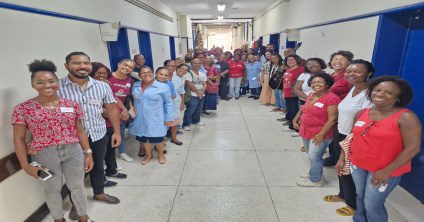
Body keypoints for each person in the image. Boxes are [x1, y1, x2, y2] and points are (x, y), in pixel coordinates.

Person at [12, 59, 94, 222]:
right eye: (40, 82)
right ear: (33, 84)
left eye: (51, 81)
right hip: (44, 155)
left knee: (77, 186)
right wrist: (25, 165)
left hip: (73, 152)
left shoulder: (72, 105)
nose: (47, 85)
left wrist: (88, 153)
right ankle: (58, 219)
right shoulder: (23, 109)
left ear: (58, 82)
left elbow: (80, 130)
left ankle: (84, 218)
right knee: (52, 189)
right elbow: (19, 139)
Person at [339, 76, 421, 222]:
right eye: (377, 90)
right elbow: (351, 137)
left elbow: (412, 148)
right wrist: (342, 159)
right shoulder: (362, 113)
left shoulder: (406, 117)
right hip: (357, 164)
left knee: (372, 205)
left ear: (398, 97)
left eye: (388, 92)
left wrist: (386, 171)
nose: (380, 94)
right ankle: (359, 219)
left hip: (385, 169)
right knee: (360, 196)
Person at [58, 52, 122, 205]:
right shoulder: (57, 87)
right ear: (67, 66)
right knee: (74, 172)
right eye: (76, 63)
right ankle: (77, 204)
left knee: (98, 165)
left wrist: (117, 132)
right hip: (72, 138)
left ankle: (99, 193)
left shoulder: (102, 86)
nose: (82, 66)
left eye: (86, 63)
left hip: (98, 134)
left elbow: (112, 110)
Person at [323, 60, 374, 216]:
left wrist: (349, 138)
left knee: (348, 168)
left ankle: (352, 204)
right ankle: (343, 194)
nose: (351, 74)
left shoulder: (370, 94)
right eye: (349, 71)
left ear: (369, 74)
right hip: (341, 131)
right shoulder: (353, 89)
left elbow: (365, 119)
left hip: (354, 136)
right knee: (341, 166)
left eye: (358, 71)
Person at [293, 73, 340, 187]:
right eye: (313, 82)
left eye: (319, 82)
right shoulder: (312, 95)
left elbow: (333, 119)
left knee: (314, 156)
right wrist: (295, 119)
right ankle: (316, 173)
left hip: (320, 132)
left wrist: (321, 134)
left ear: (327, 84)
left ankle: (315, 180)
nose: (316, 84)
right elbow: (303, 109)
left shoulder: (332, 98)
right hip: (306, 130)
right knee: (311, 154)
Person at [90, 62, 128, 182]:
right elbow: (92, 107)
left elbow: (115, 99)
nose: (102, 75)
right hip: (99, 127)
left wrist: (124, 110)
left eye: (104, 73)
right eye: (99, 73)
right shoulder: (89, 88)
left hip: (111, 123)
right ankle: (101, 180)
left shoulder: (106, 86)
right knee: (99, 154)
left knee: (111, 149)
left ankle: (112, 171)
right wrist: (112, 113)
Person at [129, 66, 174, 165]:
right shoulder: (135, 86)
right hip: (140, 118)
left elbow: (169, 103)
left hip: (156, 118)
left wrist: (169, 118)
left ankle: (161, 154)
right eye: (143, 73)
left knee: (158, 139)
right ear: (139, 75)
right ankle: (149, 155)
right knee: (144, 139)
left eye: (149, 72)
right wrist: (131, 107)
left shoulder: (163, 87)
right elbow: (131, 99)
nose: (146, 74)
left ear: (153, 73)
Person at [324, 50, 354, 166]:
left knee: (339, 137)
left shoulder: (348, 77)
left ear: (349, 62)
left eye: (342, 59)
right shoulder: (331, 76)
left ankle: (337, 159)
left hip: (340, 113)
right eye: (335, 59)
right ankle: (333, 157)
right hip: (328, 110)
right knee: (332, 135)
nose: (338, 62)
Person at [109, 59, 135, 162]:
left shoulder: (130, 80)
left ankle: (122, 152)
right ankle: (108, 159)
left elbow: (129, 97)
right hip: (106, 111)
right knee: (107, 136)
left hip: (122, 112)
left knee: (121, 133)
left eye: (131, 67)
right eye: (125, 65)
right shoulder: (108, 77)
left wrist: (128, 110)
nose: (127, 68)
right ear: (119, 64)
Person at [182, 58, 207, 131]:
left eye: (199, 63)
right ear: (191, 64)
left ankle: (196, 121)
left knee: (198, 109)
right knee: (190, 110)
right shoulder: (188, 73)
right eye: (195, 63)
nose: (197, 64)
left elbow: (205, 84)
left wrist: (202, 92)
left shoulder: (202, 74)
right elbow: (189, 84)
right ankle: (186, 124)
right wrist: (197, 92)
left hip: (202, 95)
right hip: (192, 95)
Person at [282, 54, 305, 133]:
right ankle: (292, 126)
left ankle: (297, 129)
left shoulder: (301, 69)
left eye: (292, 60)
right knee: (291, 111)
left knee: (296, 112)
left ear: (297, 60)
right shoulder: (288, 69)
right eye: (288, 60)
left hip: (295, 94)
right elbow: (285, 81)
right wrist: (283, 92)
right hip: (287, 93)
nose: (290, 61)